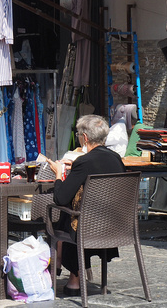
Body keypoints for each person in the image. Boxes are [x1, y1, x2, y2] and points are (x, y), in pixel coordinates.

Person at [47, 114, 125, 297]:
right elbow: (97, 166)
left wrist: (59, 173)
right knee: (79, 212)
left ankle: (65, 269)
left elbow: (60, 197)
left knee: (67, 214)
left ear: (85, 138)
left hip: (88, 228)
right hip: (115, 226)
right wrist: (75, 166)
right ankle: (71, 274)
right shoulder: (117, 159)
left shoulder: (84, 162)